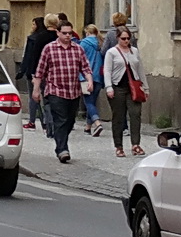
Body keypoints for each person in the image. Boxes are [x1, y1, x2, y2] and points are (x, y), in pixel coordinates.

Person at [32, 12, 94, 163]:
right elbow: (40, 70)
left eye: (69, 33)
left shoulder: (78, 49)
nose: (67, 36)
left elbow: (85, 67)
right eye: (64, 33)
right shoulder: (49, 49)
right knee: (60, 119)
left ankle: (61, 144)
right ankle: (62, 149)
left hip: (73, 91)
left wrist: (89, 81)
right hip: (55, 90)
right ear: (58, 33)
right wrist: (36, 89)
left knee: (70, 121)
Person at [103, 26, 150, 158]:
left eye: (128, 38)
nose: (126, 41)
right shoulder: (112, 52)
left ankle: (135, 144)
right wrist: (108, 87)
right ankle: (119, 146)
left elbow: (140, 70)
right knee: (118, 116)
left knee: (135, 114)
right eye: (123, 38)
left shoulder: (134, 51)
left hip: (133, 88)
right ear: (117, 38)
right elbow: (107, 70)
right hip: (117, 86)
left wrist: (145, 87)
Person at [18, 17, 55, 133]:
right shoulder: (57, 37)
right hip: (51, 73)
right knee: (47, 98)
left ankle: (33, 121)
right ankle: (47, 121)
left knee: (33, 96)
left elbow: (30, 56)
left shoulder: (35, 38)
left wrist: (27, 71)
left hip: (35, 71)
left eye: (34, 24)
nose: (32, 27)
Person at [79, 24, 104, 136]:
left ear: (87, 33)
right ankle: (88, 127)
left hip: (86, 76)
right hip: (98, 76)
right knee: (92, 102)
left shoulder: (83, 43)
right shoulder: (101, 43)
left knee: (88, 102)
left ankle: (97, 123)